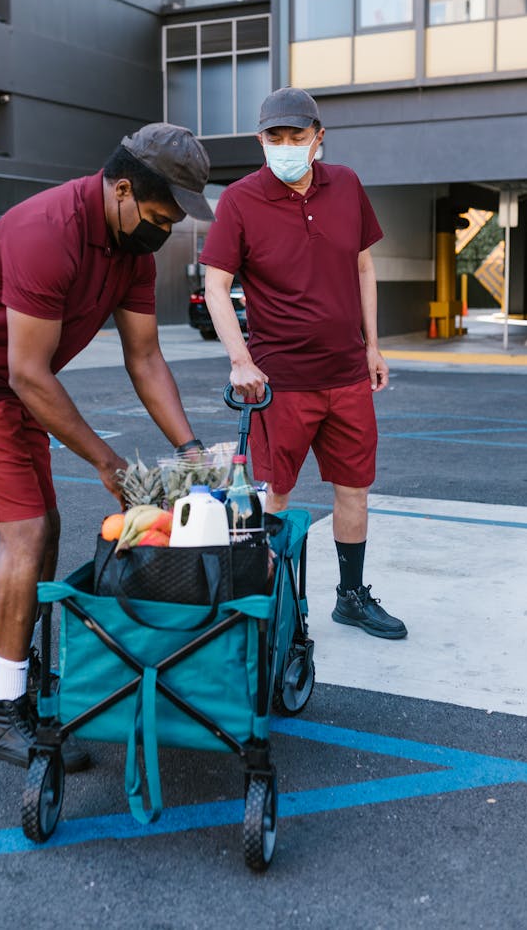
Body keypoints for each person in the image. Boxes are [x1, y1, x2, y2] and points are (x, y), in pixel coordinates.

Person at [0, 122, 213, 770]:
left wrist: (191, 451)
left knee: (48, 524)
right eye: (158, 216)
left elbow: (146, 357)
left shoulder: (132, 251)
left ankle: (18, 665)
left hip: (12, 378)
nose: (163, 231)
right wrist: (108, 462)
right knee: (27, 530)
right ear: (121, 190)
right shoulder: (49, 230)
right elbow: (28, 373)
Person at [200, 87, 406, 640]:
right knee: (275, 493)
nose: (286, 146)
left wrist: (372, 346)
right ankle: (264, 606)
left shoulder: (348, 185)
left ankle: (351, 596)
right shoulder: (240, 200)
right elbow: (216, 286)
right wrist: (239, 360)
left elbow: (363, 268)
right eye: (276, 137)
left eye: (297, 136)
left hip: (346, 376)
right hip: (278, 381)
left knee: (354, 488)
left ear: (319, 138)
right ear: (260, 140)